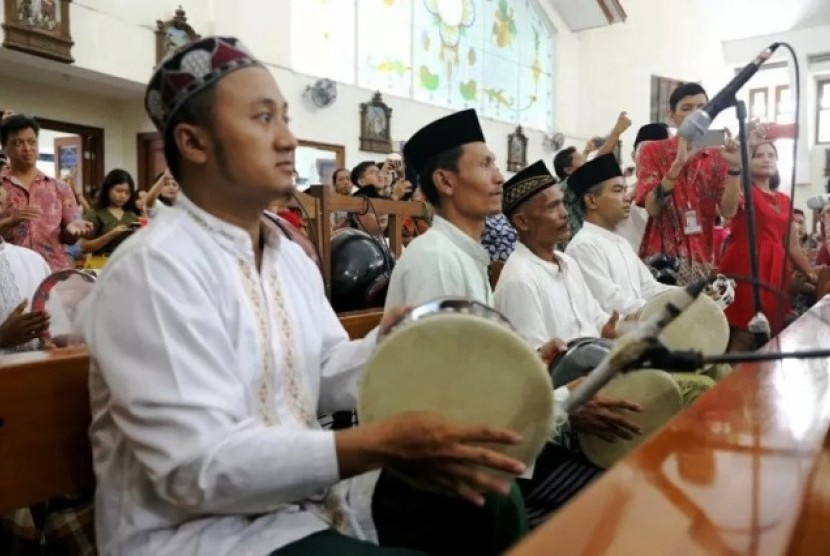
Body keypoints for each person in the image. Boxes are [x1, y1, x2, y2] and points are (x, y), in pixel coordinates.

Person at [79, 36, 529, 556]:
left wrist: (395, 346)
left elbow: (323, 367)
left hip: (301, 504)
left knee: (488, 495)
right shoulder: (156, 268)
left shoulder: (286, 255)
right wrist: (377, 444)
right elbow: (195, 469)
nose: (288, 139)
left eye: (286, 119)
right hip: (201, 534)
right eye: (263, 119)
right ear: (194, 142)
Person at [379, 108, 530, 553]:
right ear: (445, 182)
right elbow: (439, 389)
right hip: (428, 468)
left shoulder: (464, 254)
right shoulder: (435, 258)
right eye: (485, 164)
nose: (500, 176)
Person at [494, 159, 642, 525]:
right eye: (551, 206)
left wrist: (624, 329)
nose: (563, 213)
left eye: (562, 203)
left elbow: (595, 320)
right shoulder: (520, 280)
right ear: (523, 222)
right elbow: (538, 371)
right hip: (556, 428)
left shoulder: (565, 262)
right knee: (626, 486)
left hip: (591, 385)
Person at [634, 83, 742, 285]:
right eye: (686, 108)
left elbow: (728, 212)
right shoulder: (653, 151)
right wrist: (677, 166)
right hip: (662, 260)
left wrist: (735, 168)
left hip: (700, 260)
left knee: (697, 316)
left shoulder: (717, 155)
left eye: (702, 108)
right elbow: (652, 207)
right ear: (671, 116)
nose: (695, 114)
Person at [719, 141, 817, 351]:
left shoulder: (784, 199)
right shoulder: (743, 190)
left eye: (771, 155)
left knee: (770, 335)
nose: (766, 159)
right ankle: (732, 382)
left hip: (776, 271)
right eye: (759, 155)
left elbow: (792, 246)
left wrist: (813, 275)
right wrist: (735, 169)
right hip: (746, 266)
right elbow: (726, 211)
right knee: (744, 334)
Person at [565, 153, 675, 317]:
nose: (627, 197)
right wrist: (668, 309)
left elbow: (648, 287)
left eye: (625, 189)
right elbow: (611, 303)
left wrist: (692, 295)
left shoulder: (621, 242)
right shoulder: (584, 246)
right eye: (618, 191)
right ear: (591, 201)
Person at [0, 114, 92, 271]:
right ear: (4, 147)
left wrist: (72, 232)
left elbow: (69, 238)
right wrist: (10, 221)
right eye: (18, 143)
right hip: (11, 275)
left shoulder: (60, 187)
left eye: (32, 142)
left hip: (53, 273)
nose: (27, 148)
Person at [616, 123, 670, 252]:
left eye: (658, 151)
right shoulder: (620, 196)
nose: (651, 157)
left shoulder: (682, 195)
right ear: (633, 155)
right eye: (645, 150)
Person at [79, 169, 140, 269]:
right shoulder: (95, 214)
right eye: (119, 191)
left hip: (126, 265)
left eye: (127, 192)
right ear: (108, 189)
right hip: (101, 265)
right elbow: (83, 247)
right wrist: (111, 234)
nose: (123, 196)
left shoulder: (132, 216)